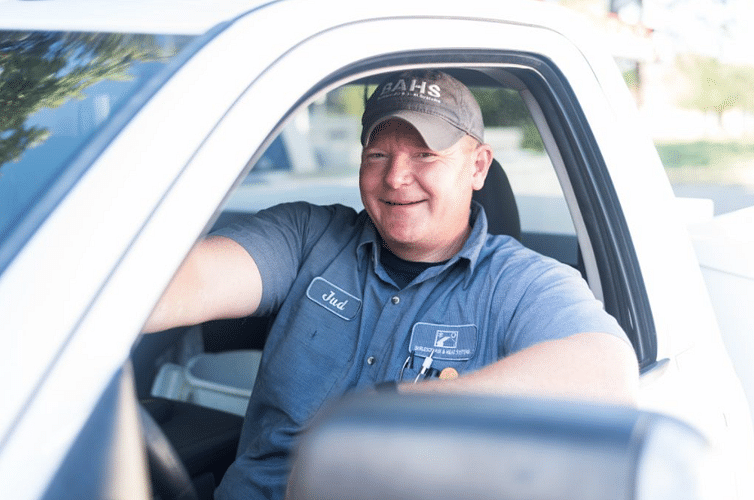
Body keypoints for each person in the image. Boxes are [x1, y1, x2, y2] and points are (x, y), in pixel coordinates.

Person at [144, 69, 639, 500]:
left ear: (478, 166)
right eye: (378, 154)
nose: (396, 177)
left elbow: (608, 373)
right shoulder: (306, 236)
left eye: (424, 154)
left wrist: (392, 413)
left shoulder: (519, 283)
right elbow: (184, 283)